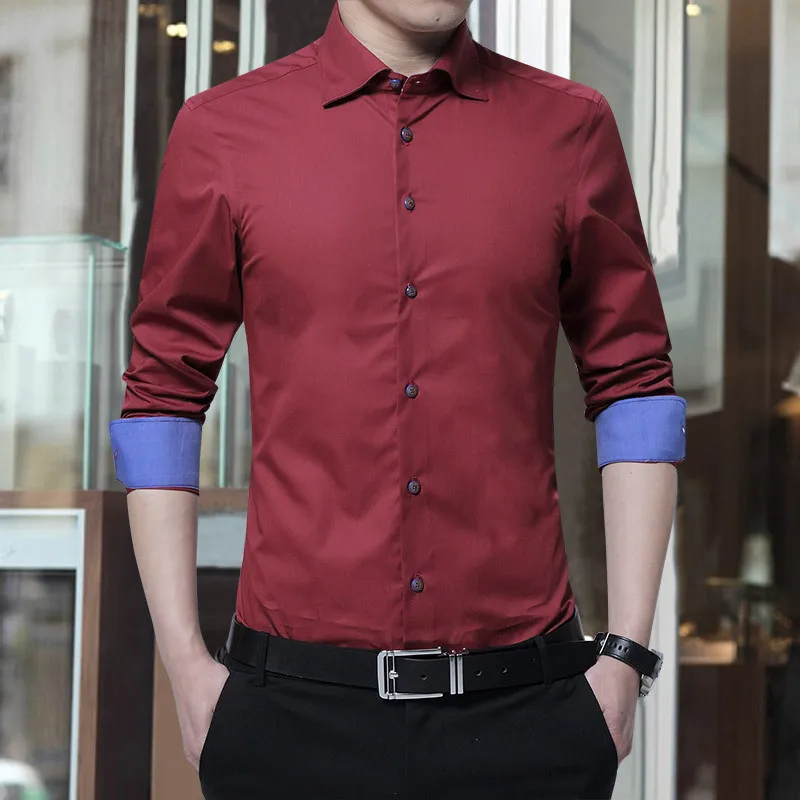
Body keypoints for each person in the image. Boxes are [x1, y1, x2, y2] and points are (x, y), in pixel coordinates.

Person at [109, 1, 685, 798]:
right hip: (290, 720)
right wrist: (184, 662)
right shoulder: (224, 132)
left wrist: (625, 658)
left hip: (529, 713)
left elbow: (636, 386)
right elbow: (163, 398)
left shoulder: (571, 128)